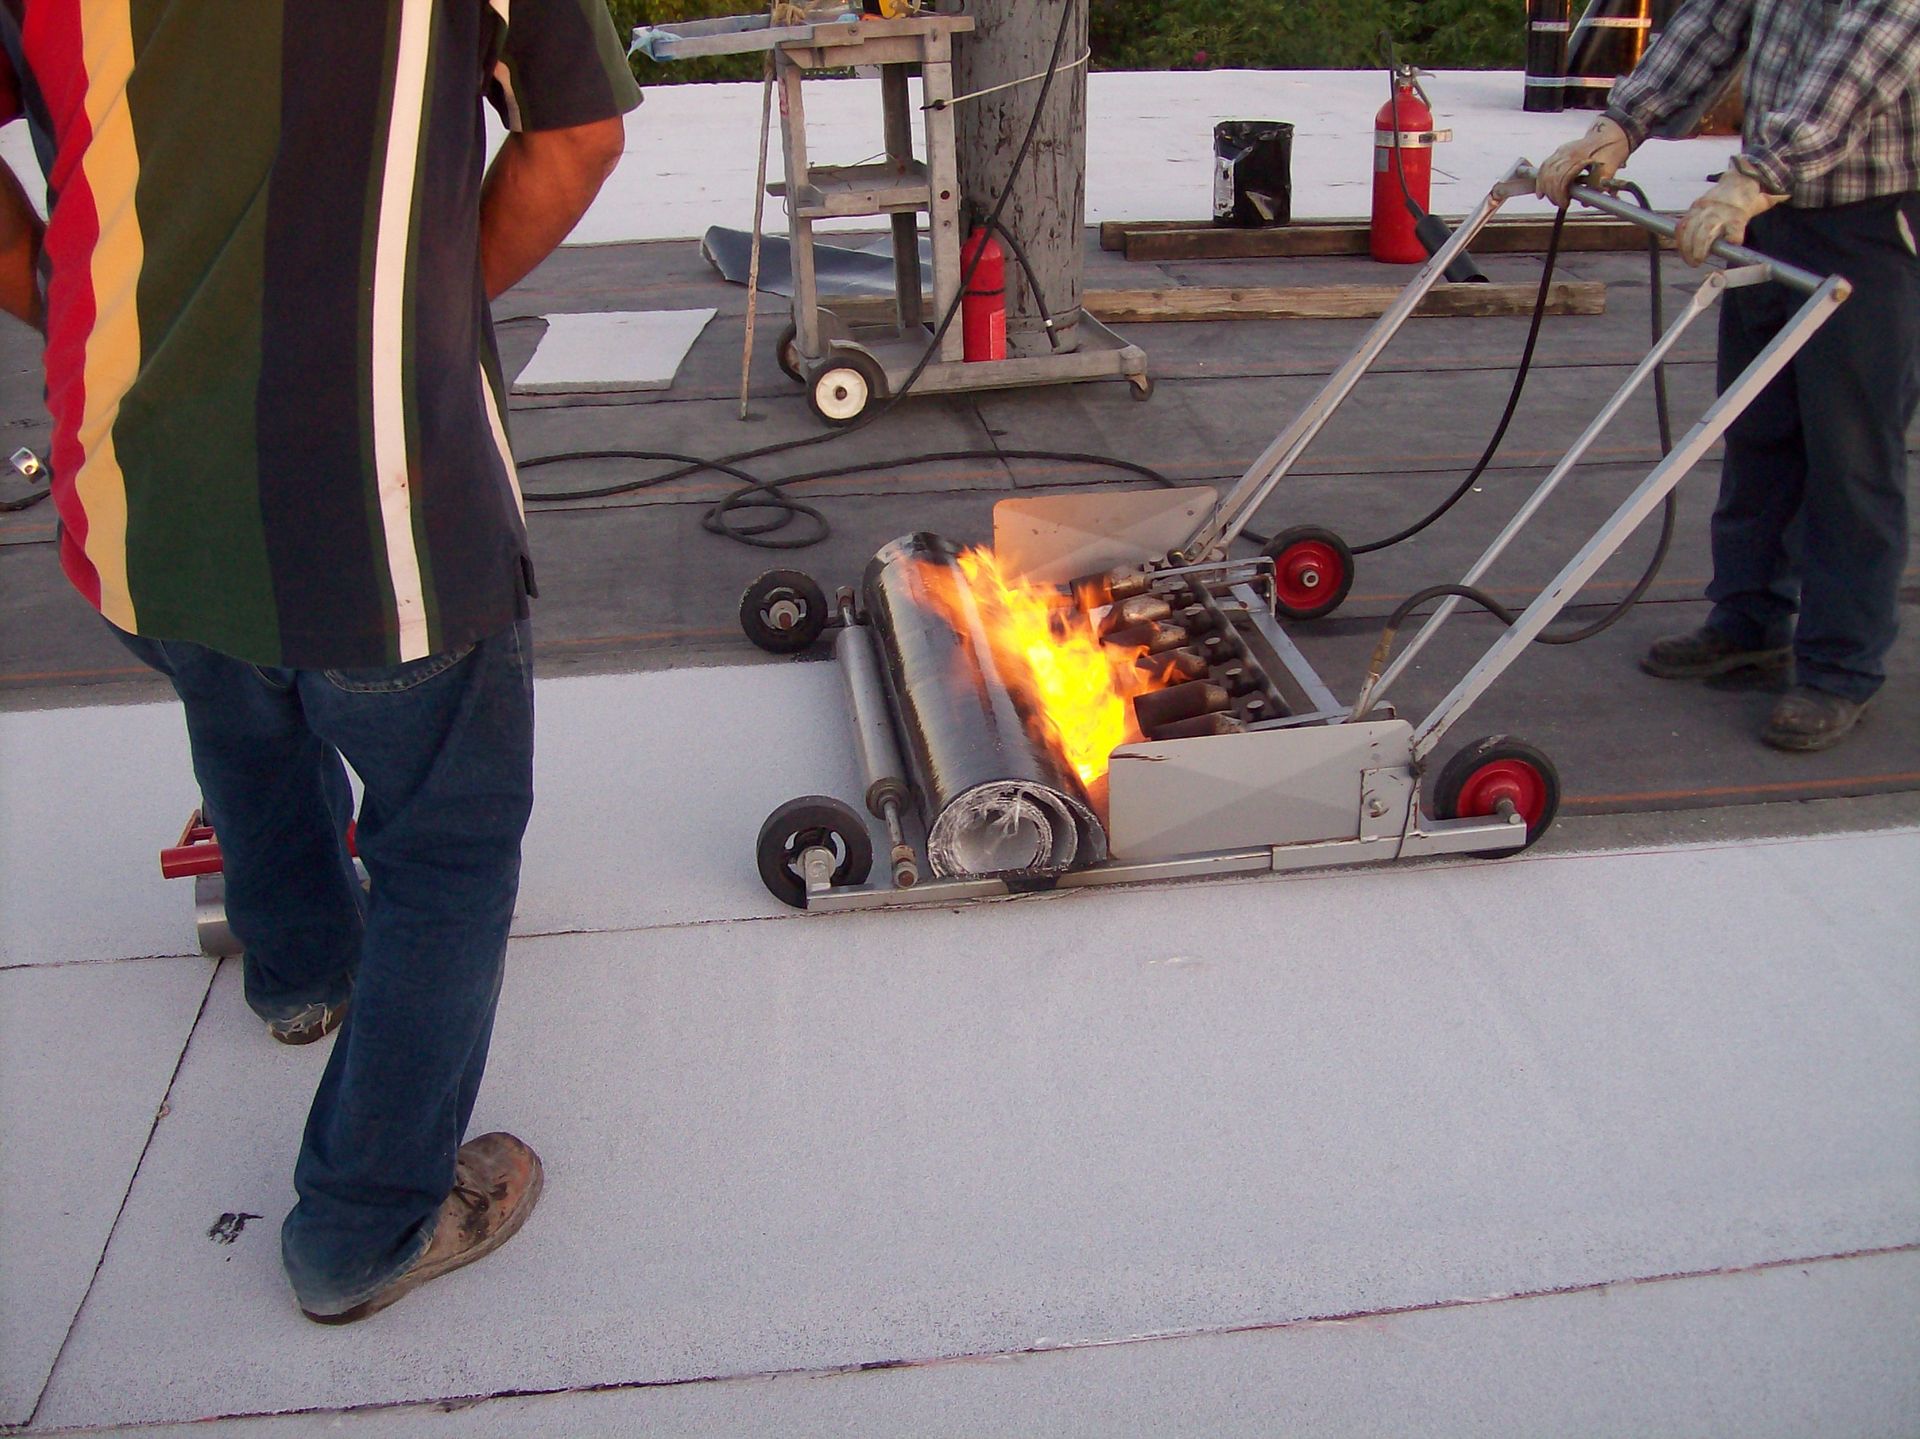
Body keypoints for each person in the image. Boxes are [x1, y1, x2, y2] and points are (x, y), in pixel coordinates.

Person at [0, 4, 640, 1323]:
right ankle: (360, 1225)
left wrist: (89, 312)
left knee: (238, 696)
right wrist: (415, 316)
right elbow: (575, 137)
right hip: (378, 508)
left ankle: (301, 969)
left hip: (129, 488)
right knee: (447, 843)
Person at [1537, 0, 1920, 752]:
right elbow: (1714, 19)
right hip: (1772, 209)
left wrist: (1758, 176)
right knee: (1758, 428)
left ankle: (1840, 667)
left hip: (1867, 222)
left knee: (1850, 457)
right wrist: (1621, 125)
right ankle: (1748, 620)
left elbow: (1860, 64)